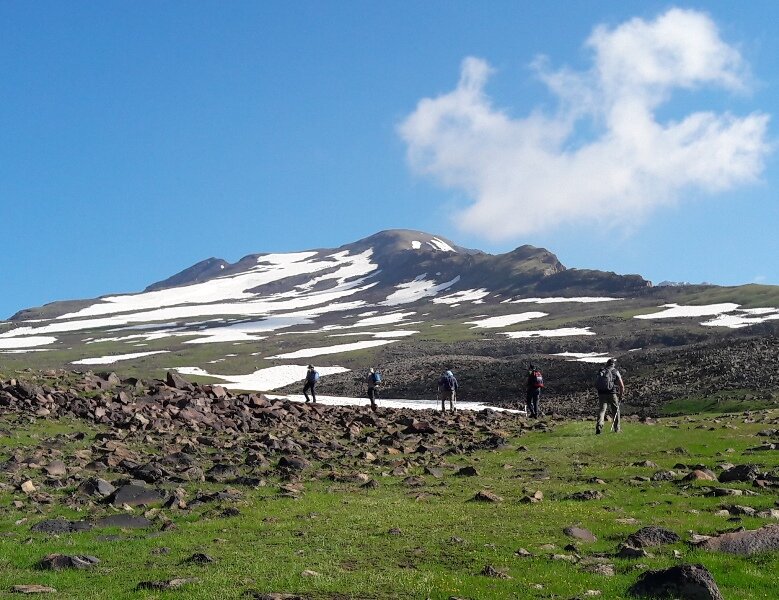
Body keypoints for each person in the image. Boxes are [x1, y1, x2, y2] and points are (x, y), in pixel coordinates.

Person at [595, 358, 624, 434]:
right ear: (613, 364)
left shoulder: (601, 371)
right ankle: (617, 429)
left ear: (607, 364)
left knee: (602, 411)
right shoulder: (615, 371)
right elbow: (621, 386)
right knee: (615, 410)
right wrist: (620, 396)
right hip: (612, 393)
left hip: (601, 393)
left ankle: (599, 426)